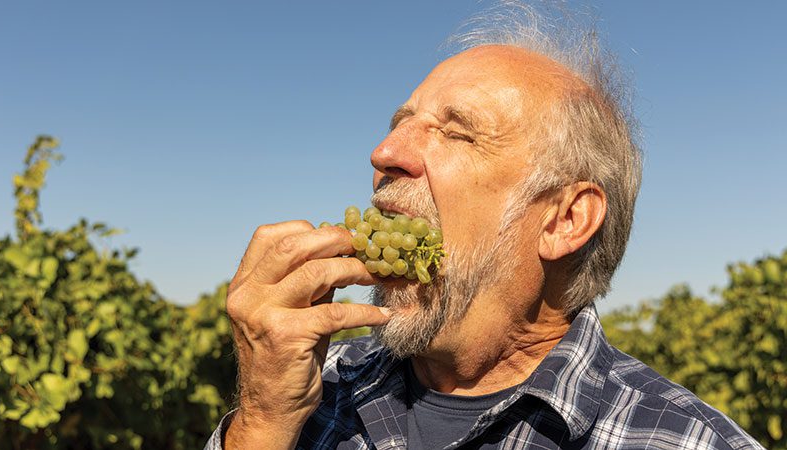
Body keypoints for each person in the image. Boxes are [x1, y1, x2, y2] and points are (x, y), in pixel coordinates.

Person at [205, 3, 763, 449]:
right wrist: (262, 422)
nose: (384, 153)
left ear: (565, 220)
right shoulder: (309, 388)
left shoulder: (683, 440)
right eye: (400, 126)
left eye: (457, 133)